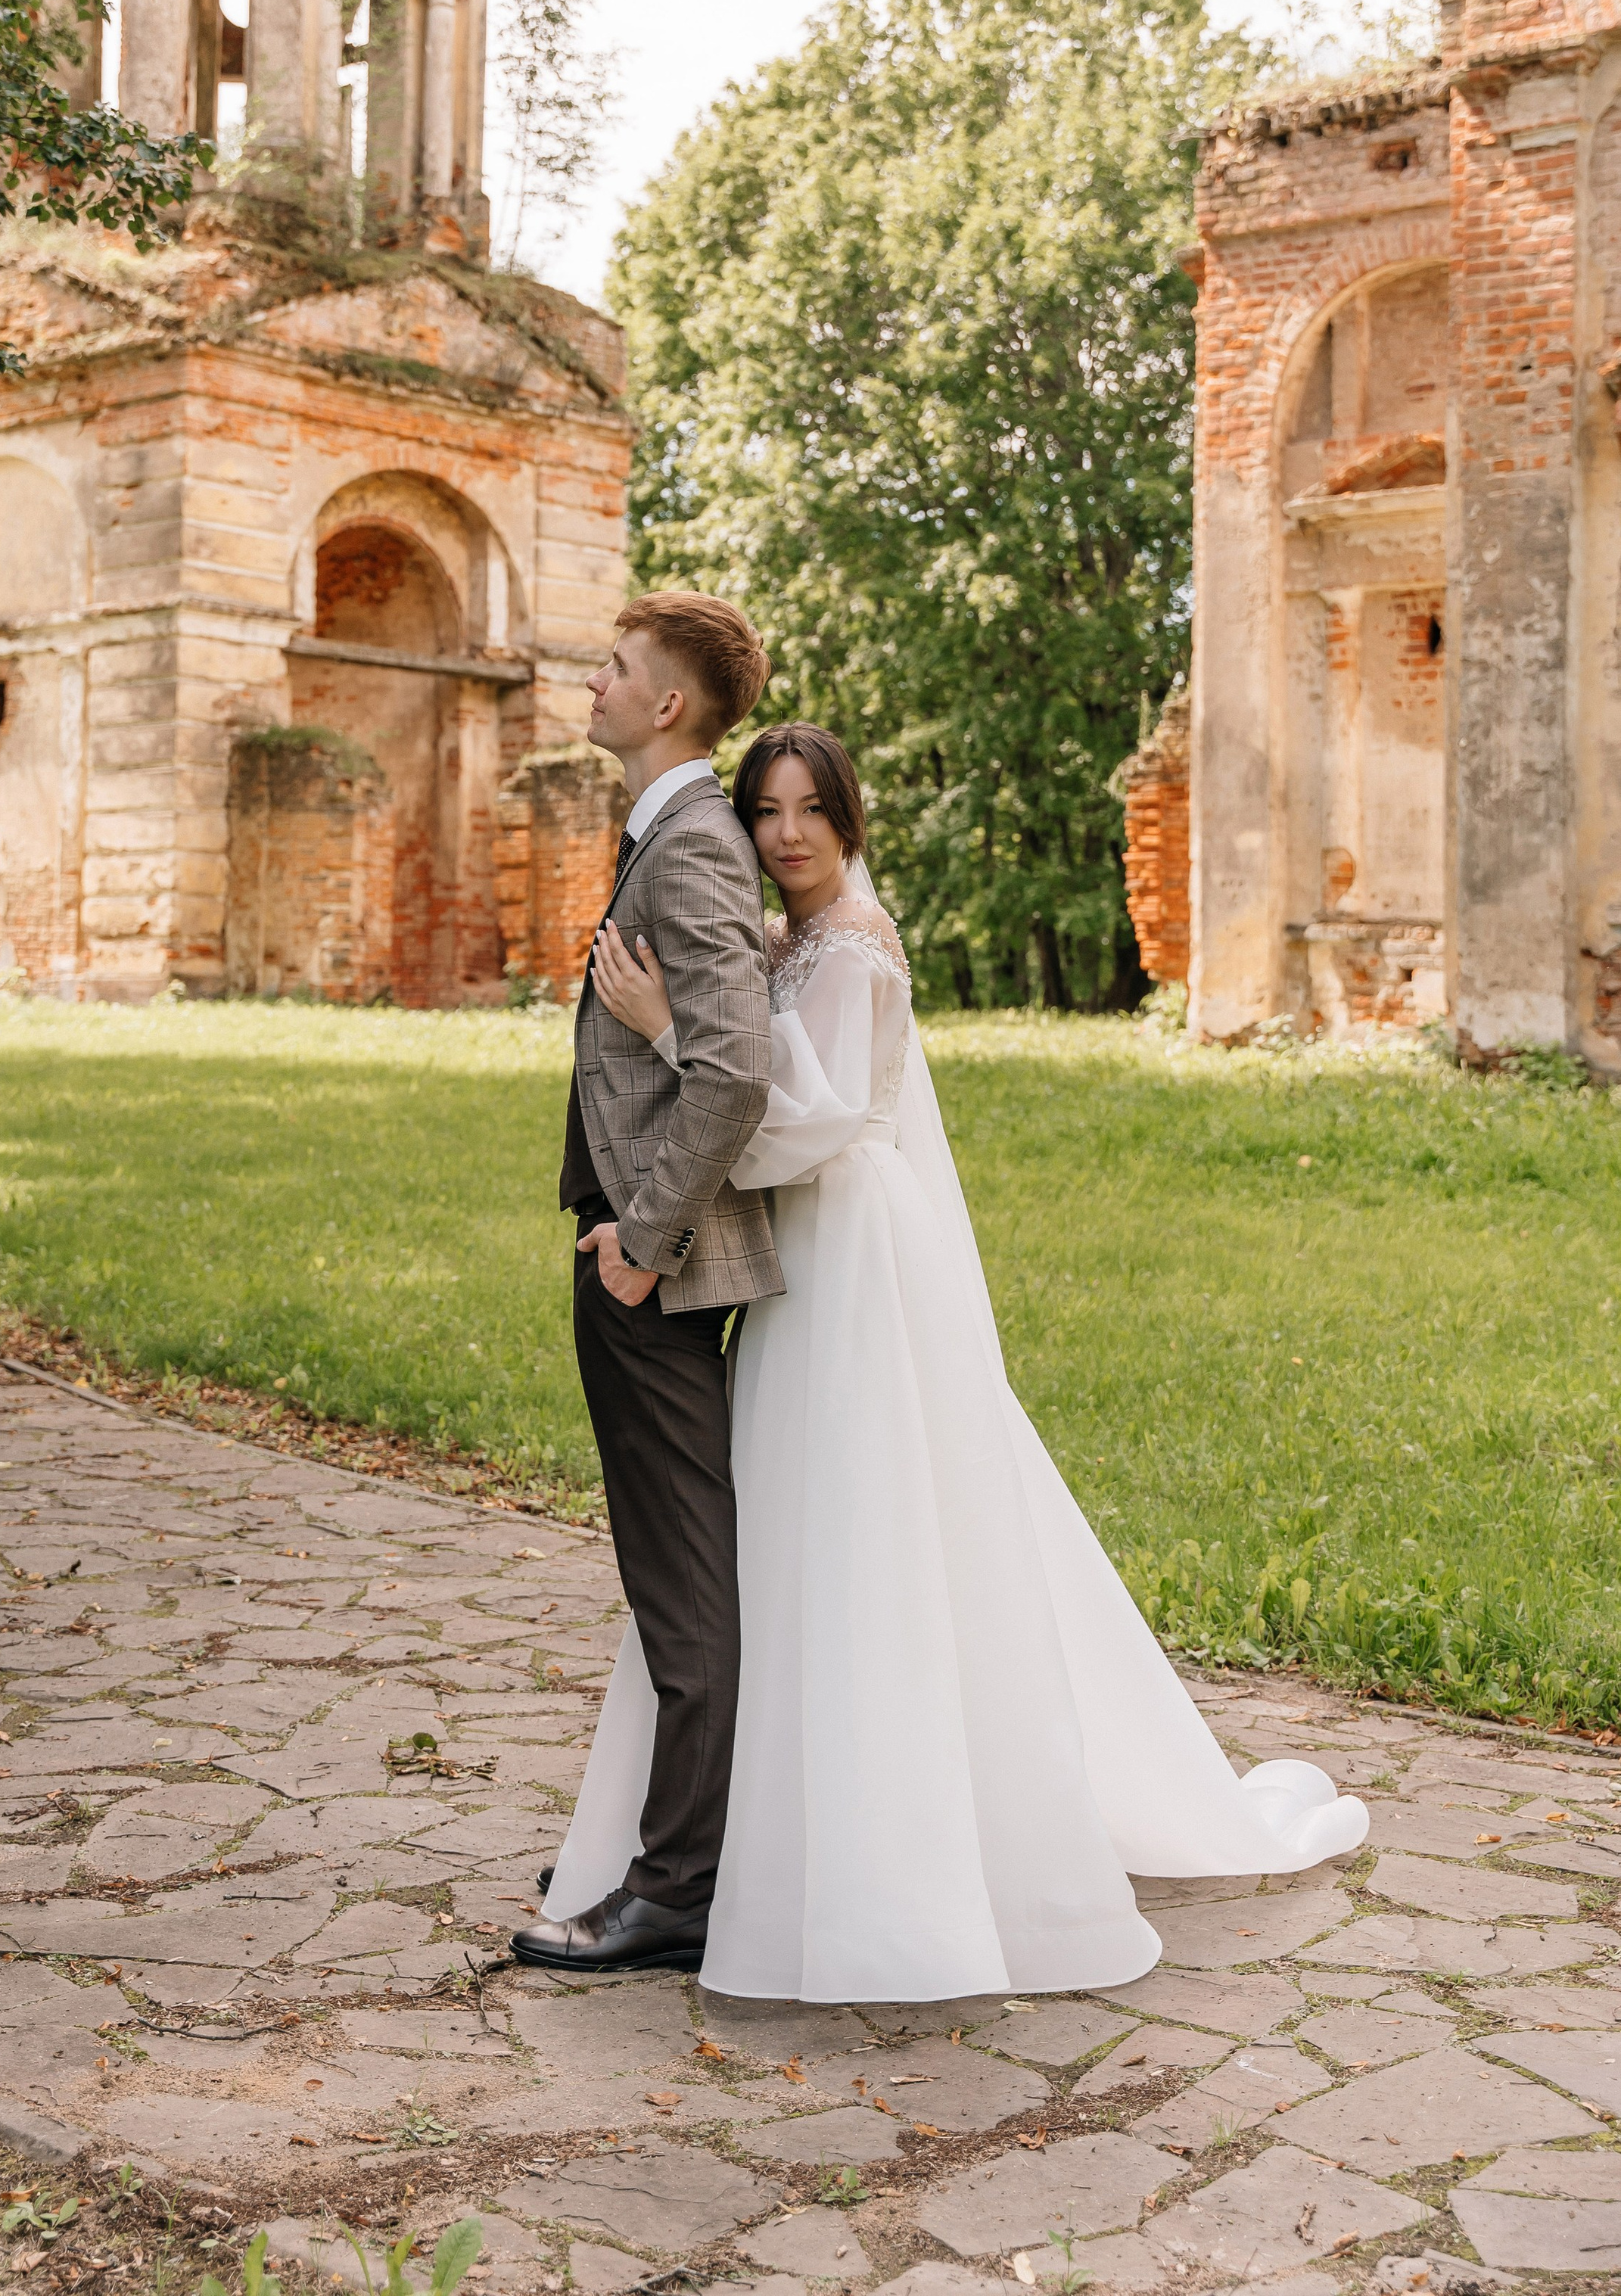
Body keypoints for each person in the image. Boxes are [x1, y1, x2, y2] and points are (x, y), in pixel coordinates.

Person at [543, 720, 1367, 2005]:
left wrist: (661, 1033)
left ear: (850, 820)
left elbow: (797, 1119)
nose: (789, 835)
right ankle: (773, 1828)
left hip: (852, 1251)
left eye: (813, 809)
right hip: (801, 1256)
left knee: (862, 1524)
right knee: (791, 1529)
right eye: (766, 811)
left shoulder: (857, 951)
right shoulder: (786, 942)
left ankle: (890, 1850)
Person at [509, 593, 779, 1979]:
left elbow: (734, 1069)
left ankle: (677, 1889)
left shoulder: (689, 850)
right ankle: (667, 1848)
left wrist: (641, 1239)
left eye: (616, 668)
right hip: (634, 1255)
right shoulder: (667, 834)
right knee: (676, 1573)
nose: (596, 681)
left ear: (667, 703)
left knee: (685, 1585)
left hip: (648, 1275)